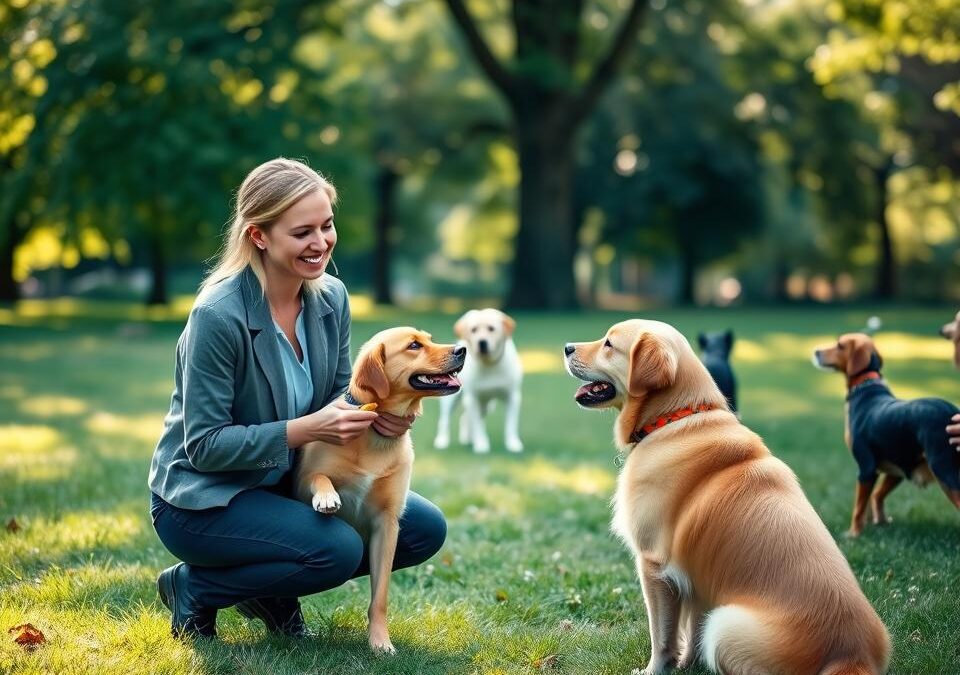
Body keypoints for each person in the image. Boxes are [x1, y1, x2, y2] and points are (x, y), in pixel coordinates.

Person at [148, 158, 446, 639]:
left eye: (327, 226)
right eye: (302, 231)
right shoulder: (217, 315)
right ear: (259, 237)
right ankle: (195, 587)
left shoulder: (331, 297)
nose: (321, 242)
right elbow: (203, 445)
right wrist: (307, 429)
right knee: (335, 550)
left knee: (422, 528)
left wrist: (381, 415)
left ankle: (270, 592)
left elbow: (339, 391)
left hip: (290, 485)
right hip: (204, 500)